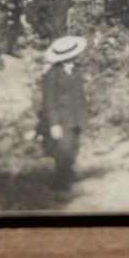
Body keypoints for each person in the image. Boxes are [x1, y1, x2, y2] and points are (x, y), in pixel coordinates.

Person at [39, 35, 89, 191]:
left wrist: (84, 115)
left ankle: (69, 175)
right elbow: (49, 101)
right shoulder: (52, 75)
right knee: (64, 151)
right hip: (62, 119)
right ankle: (60, 185)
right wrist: (54, 123)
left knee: (74, 147)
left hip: (77, 116)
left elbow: (80, 95)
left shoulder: (77, 70)